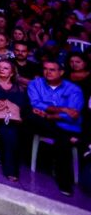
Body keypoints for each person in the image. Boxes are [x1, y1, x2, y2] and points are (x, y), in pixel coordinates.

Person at [29, 60, 83, 195]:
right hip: (42, 123)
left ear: (61, 72)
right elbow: (35, 105)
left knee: (62, 139)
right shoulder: (35, 84)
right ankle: (65, 183)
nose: (48, 72)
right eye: (45, 69)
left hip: (63, 124)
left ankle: (64, 182)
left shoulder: (73, 89)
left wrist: (49, 115)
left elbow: (73, 115)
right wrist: (64, 109)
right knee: (33, 118)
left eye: (52, 69)